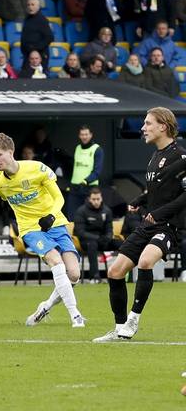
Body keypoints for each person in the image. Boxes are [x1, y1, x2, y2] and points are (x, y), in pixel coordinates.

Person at [92, 107, 186, 343]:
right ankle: (119, 328)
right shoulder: (156, 155)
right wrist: (140, 200)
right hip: (149, 223)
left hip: (168, 226)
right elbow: (158, 190)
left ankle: (134, 319)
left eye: (148, 123)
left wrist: (160, 213)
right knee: (114, 271)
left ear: (163, 126)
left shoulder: (181, 157)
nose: (143, 128)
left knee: (145, 262)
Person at [0, 133, 85, 328]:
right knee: (55, 261)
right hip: (31, 228)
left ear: (11, 152)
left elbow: (59, 198)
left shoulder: (37, 168)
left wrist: (50, 215)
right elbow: (7, 202)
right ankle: (76, 315)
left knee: (74, 274)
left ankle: (45, 307)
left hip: (55, 222)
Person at [73, 187, 122, 283]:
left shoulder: (107, 211)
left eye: (98, 199)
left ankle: (125, 275)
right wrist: (97, 238)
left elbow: (109, 229)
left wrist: (107, 237)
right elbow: (80, 232)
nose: (96, 202)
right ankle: (94, 277)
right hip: (86, 241)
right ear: (89, 199)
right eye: (93, 199)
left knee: (123, 244)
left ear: (101, 199)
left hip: (103, 240)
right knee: (92, 244)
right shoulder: (81, 211)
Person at [65, 125, 103, 221]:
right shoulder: (77, 148)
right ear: (79, 136)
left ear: (91, 135)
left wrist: (85, 181)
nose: (84, 137)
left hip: (89, 189)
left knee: (89, 217)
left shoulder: (97, 149)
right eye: (82, 134)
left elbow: (97, 172)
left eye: (86, 134)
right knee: (71, 216)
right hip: (75, 188)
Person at [21, 0, 53, 71]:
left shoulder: (42, 20)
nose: (30, 7)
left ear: (38, 6)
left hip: (39, 56)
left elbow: (49, 37)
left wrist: (35, 49)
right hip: (28, 55)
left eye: (32, 5)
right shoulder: (27, 19)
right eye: (28, 5)